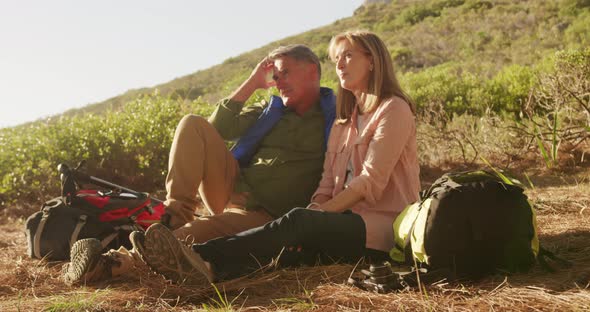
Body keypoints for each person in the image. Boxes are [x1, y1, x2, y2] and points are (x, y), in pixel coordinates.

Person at [139, 30, 421, 285]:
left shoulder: (389, 110)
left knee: (293, 223)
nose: (340, 64)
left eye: (348, 56)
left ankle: (180, 259)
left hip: (377, 226)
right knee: (192, 123)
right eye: (337, 58)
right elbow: (327, 184)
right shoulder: (341, 123)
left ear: (372, 61)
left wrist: (316, 215)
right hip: (255, 199)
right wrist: (252, 83)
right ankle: (171, 230)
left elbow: (370, 181)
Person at [61, 44, 337, 285]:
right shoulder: (271, 111)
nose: (278, 82)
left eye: (285, 73)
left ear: (312, 70)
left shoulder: (337, 116)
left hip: (266, 214)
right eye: (275, 76)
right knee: (192, 123)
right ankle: (176, 213)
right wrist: (253, 83)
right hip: (230, 189)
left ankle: (110, 264)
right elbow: (217, 128)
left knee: (189, 237)